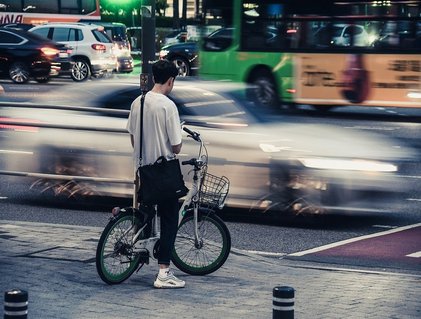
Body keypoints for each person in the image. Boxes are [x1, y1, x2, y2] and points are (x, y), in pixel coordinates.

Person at [126, 59, 185, 289]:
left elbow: (132, 137)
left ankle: (139, 253)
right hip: (163, 172)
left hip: (143, 169)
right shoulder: (168, 106)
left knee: (145, 213)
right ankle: (163, 273)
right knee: (170, 219)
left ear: (153, 78)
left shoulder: (137, 102)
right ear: (170, 80)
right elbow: (176, 147)